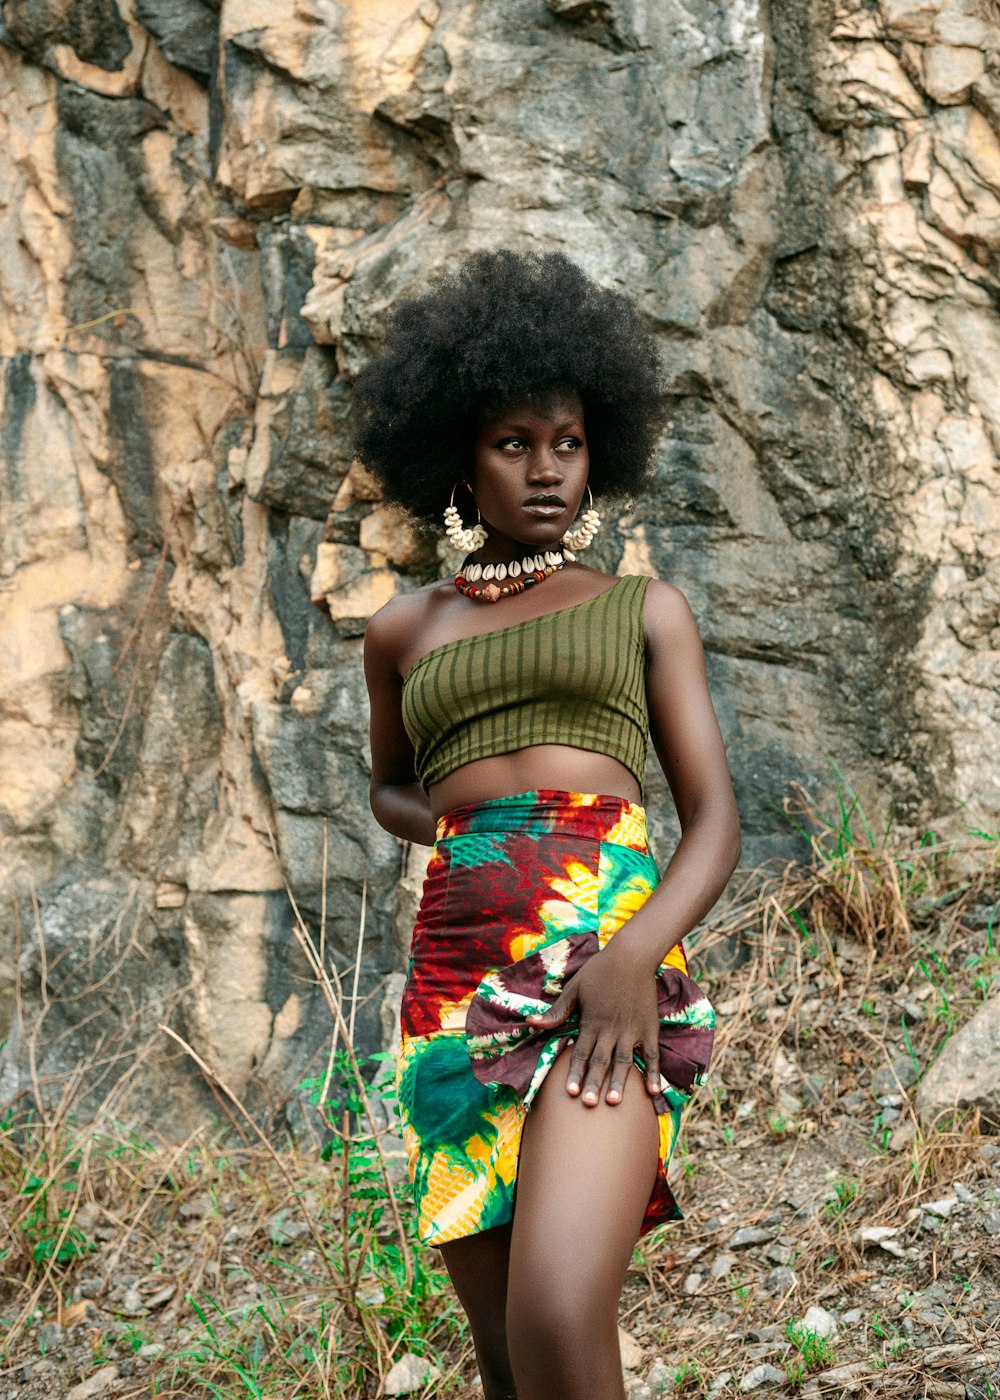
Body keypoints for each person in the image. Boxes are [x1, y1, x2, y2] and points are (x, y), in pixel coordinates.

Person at [357, 248, 741, 1400]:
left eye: (566, 443)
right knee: (508, 1360)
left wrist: (634, 956)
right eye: (512, 443)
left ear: (599, 452)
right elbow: (388, 785)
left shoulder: (640, 606)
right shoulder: (404, 629)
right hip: (456, 976)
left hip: (600, 962)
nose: (543, 469)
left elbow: (714, 816)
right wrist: (476, 828)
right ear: (459, 460)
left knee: (560, 1313)